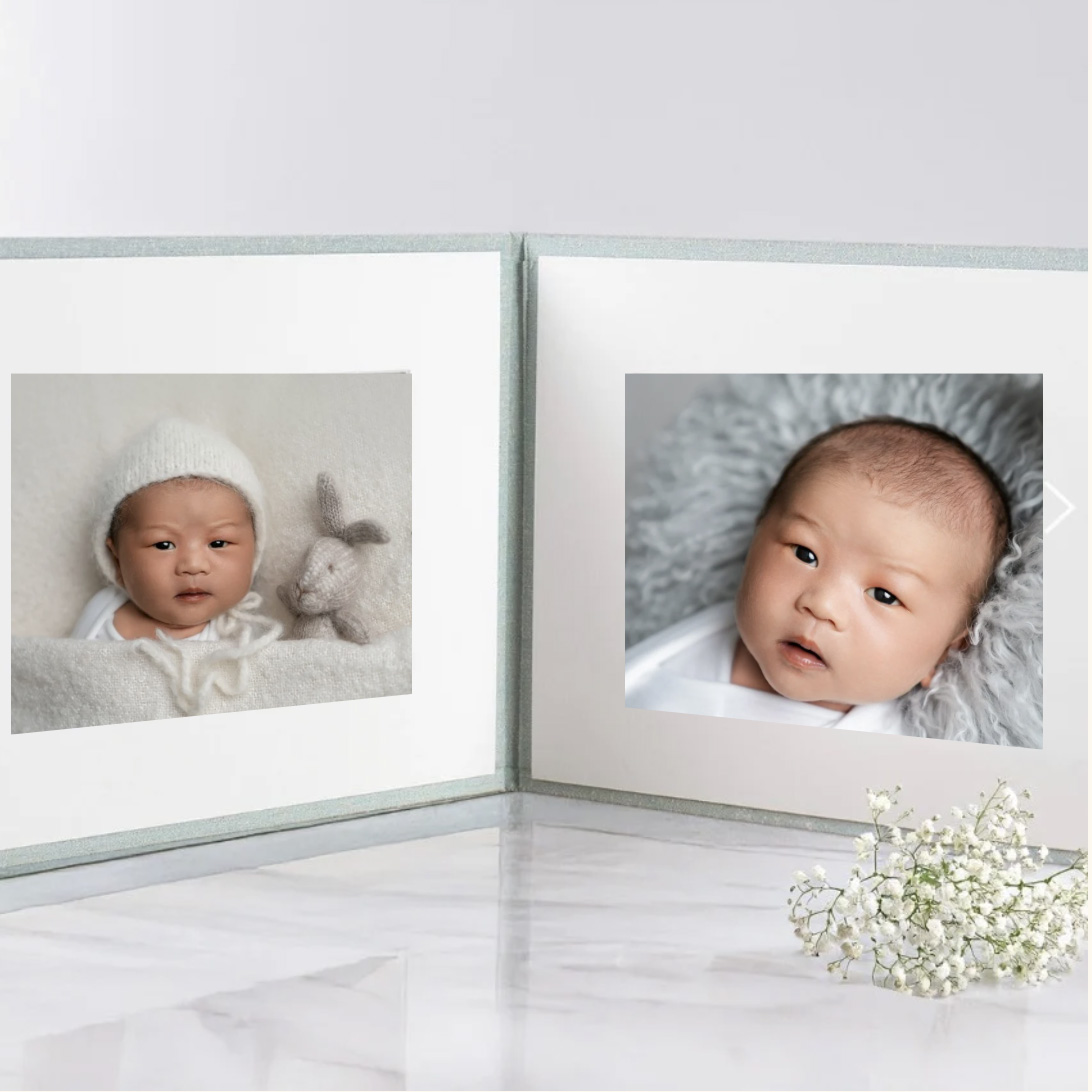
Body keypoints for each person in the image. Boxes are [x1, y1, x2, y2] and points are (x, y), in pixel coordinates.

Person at [624, 417, 1011, 735]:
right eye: (806, 554)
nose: (822, 604)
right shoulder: (666, 652)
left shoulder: (888, 768)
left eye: (884, 595)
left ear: (945, 652)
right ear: (757, 535)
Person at [71, 417, 282, 712]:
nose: (193, 566)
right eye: (163, 544)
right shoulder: (101, 614)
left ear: (254, 548)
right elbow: (66, 685)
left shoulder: (243, 635)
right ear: (117, 559)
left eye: (218, 543)